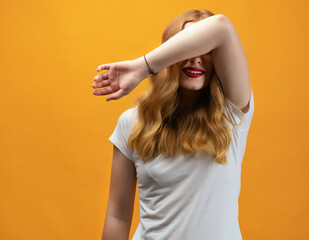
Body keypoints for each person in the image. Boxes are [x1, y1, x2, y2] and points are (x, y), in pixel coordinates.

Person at [92, 9, 254, 240]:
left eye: (206, 49)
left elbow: (221, 27)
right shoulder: (132, 122)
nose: (195, 57)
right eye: (187, 47)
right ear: (169, 54)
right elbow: (117, 215)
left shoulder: (232, 113)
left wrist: (142, 66)